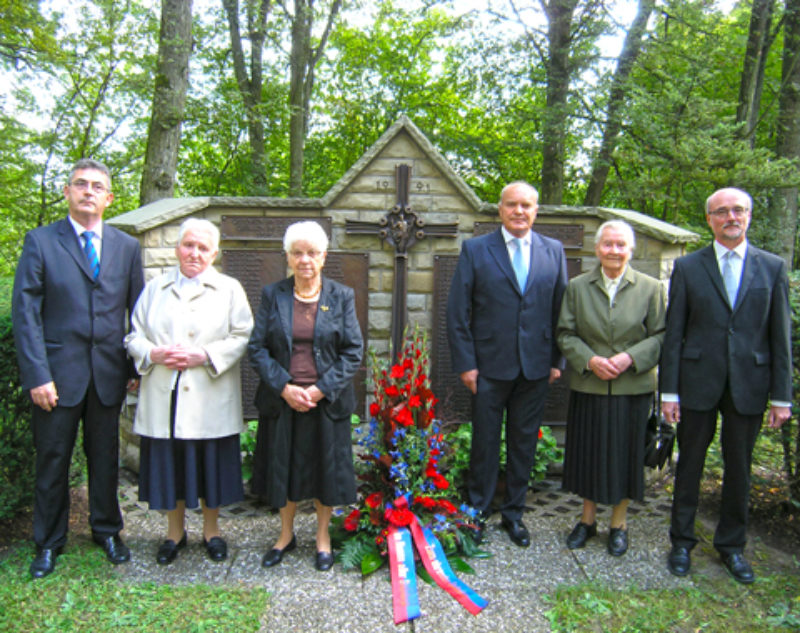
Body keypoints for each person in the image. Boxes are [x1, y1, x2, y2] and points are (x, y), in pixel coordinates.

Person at [12, 158, 144, 578]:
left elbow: (137, 311)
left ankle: (106, 530)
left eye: (97, 186)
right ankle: (48, 543)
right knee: (53, 460)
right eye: (80, 184)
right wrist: (37, 374)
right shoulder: (41, 242)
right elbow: (26, 313)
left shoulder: (127, 247)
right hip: (57, 376)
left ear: (108, 198)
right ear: (67, 192)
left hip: (108, 375)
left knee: (105, 458)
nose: (88, 191)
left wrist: (135, 364)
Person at [661, 187, 792, 584]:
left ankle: (732, 547)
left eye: (738, 210)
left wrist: (782, 396)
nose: (731, 217)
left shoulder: (772, 267)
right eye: (722, 212)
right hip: (697, 382)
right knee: (690, 467)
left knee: (740, 469)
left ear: (748, 215)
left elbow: (780, 335)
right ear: (710, 219)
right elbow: (674, 334)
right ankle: (681, 542)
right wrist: (668, 392)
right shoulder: (689, 267)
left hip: (750, 384)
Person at [125, 218, 253, 565]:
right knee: (172, 464)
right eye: (188, 245)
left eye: (203, 247)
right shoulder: (155, 288)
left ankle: (212, 532)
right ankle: (174, 532)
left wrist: (205, 355)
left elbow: (242, 335)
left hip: (209, 393)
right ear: (178, 247)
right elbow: (134, 334)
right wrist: (153, 353)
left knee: (209, 462)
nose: (194, 253)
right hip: (165, 392)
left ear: (214, 253)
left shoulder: (229, 288)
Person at [446, 181, 568, 547]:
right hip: (487, 368)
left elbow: (562, 308)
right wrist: (466, 364)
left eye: (526, 205)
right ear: (500, 209)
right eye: (512, 205)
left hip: (536, 368)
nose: (519, 211)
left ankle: (514, 515)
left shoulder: (554, 251)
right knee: (484, 442)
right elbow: (457, 312)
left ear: (536, 211)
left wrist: (557, 359)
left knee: (523, 444)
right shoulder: (476, 250)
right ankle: (477, 513)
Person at [248, 220, 363, 572]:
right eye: (297, 253)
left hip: (325, 403)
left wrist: (317, 389)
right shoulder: (273, 295)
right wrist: (284, 387)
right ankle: (285, 535)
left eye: (312, 253)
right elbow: (257, 349)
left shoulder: (341, 297)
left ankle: (323, 537)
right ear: (288, 257)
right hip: (283, 402)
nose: (305, 260)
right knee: (282, 470)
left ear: (324, 257)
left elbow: (353, 351)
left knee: (325, 473)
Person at [557, 220, 666, 556]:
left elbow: (662, 335)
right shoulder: (577, 287)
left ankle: (619, 524)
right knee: (589, 453)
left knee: (626, 456)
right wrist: (590, 360)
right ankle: (587, 521)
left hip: (631, 388)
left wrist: (630, 358)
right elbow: (565, 333)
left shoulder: (651, 288)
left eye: (621, 245)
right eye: (608, 244)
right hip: (590, 385)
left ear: (630, 250)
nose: (614, 251)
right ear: (597, 248)